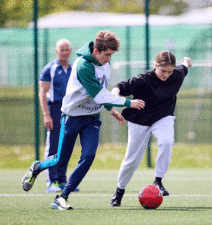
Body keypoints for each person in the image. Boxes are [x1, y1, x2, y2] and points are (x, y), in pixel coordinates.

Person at [21, 30, 145, 210]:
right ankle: (37, 167)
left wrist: (111, 110)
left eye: (112, 55)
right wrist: (128, 103)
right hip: (71, 117)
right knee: (60, 160)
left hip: (92, 119)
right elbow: (98, 93)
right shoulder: (83, 66)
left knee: (88, 156)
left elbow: (101, 91)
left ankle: (62, 197)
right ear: (96, 50)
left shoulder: (106, 64)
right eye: (107, 54)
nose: (109, 59)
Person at [109, 51, 192, 207]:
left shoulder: (178, 74)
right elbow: (120, 86)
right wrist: (115, 96)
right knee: (132, 159)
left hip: (163, 116)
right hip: (139, 119)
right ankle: (119, 191)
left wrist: (186, 61)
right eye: (163, 70)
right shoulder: (143, 79)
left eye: (169, 71)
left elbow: (184, 66)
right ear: (155, 65)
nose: (166, 74)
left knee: (167, 141)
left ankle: (158, 181)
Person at [39, 38, 80, 193]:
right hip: (55, 109)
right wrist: (46, 115)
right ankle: (51, 181)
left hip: (70, 110)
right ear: (56, 51)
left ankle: (62, 181)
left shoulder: (74, 68)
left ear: (70, 50)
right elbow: (42, 93)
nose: (64, 52)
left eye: (66, 49)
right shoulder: (49, 69)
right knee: (53, 146)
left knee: (66, 146)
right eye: (61, 50)